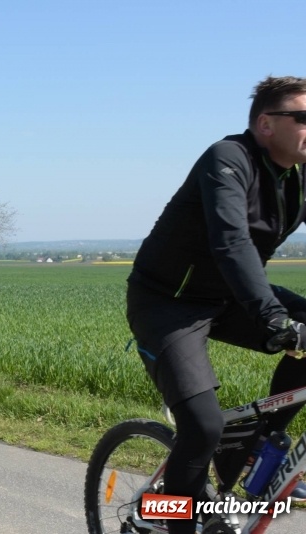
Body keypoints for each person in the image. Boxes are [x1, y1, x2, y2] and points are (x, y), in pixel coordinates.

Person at [127, 76, 306, 533]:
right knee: (202, 426)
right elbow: (231, 241)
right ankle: (172, 519)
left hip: (226, 297)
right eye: (304, 118)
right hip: (169, 303)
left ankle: (249, 448)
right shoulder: (227, 159)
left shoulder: (296, 181)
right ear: (266, 123)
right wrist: (271, 316)